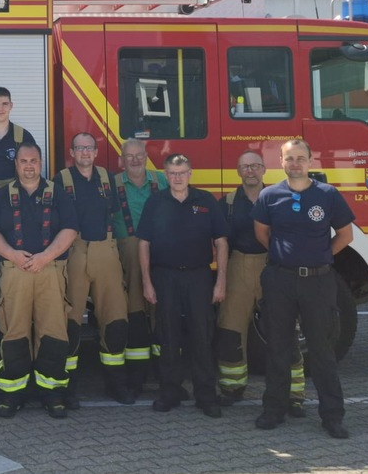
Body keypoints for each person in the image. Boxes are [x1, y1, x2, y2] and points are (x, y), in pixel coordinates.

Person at [252, 139, 356, 439]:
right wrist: (285, 257)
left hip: (318, 281)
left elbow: (345, 235)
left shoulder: (328, 194)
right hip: (279, 280)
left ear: (311, 161)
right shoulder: (269, 196)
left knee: (322, 351)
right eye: (289, 158)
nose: (295, 163)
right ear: (281, 162)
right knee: (278, 348)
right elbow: (262, 233)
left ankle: (332, 416)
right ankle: (274, 410)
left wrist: (320, 256)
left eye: (300, 158)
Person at [0, 143, 78, 419]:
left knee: (53, 332)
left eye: (33, 160)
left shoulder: (57, 194)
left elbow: (70, 229)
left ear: (41, 163)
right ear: (16, 165)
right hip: (14, 271)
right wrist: (12, 254)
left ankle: (53, 393)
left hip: (49, 270)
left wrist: (45, 257)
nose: (28, 165)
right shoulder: (3, 196)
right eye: (23, 161)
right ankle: (13, 394)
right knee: (15, 333)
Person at [137, 153, 229, 418]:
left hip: (199, 277)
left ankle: (206, 395)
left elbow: (221, 241)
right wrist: (147, 282)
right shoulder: (156, 202)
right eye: (172, 173)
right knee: (168, 336)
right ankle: (170, 392)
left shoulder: (205, 201)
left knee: (202, 336)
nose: (177, 178)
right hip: (164, 277)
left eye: (182, 172)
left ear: (190, 174)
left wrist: (220, 281)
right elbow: (144, 243)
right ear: (166, 175)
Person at [215, 151, 306, 415]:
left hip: (275, 266)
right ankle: (232, 387)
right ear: (238, 171)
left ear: (264, 169)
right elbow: (220, 242)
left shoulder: (280, 199)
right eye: (245, 167)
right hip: (238, 265)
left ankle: (294, 395)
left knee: (284, 330)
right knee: (231, 330)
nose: (250, 171)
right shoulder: (228, 203)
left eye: (255, 166)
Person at [57, 133, 129, 408]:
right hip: (75, 251)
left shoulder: (107, 178)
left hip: (105, 250)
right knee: (71, 321)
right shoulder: (61, 179)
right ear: (72, 153)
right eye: (80, 148)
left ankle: (116, 384)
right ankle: (69, 388)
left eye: (89, 148)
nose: (85, 152)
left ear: (96, 152)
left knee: (115, 319)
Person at [112, 138, 167, 401]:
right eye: (129, 156)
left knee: (162, 316)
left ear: (146, 156)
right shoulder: (112, 184)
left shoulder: (162, 181)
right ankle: (136, 379)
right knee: (135, 316)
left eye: (139, 155)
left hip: (161, 253)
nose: (134, 160)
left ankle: (165, 377)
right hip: (128, 257)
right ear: (121, 160)